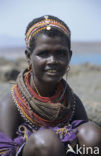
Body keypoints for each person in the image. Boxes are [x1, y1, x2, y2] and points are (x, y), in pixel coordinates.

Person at [0, 15, 101, 156]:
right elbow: (4, 151)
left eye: (60, 53)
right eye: (43, 53)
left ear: (69, 57)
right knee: (46, 141)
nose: (52, 60)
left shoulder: (71, 102)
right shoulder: (11, 103)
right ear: (28, 57)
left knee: (92, 134)